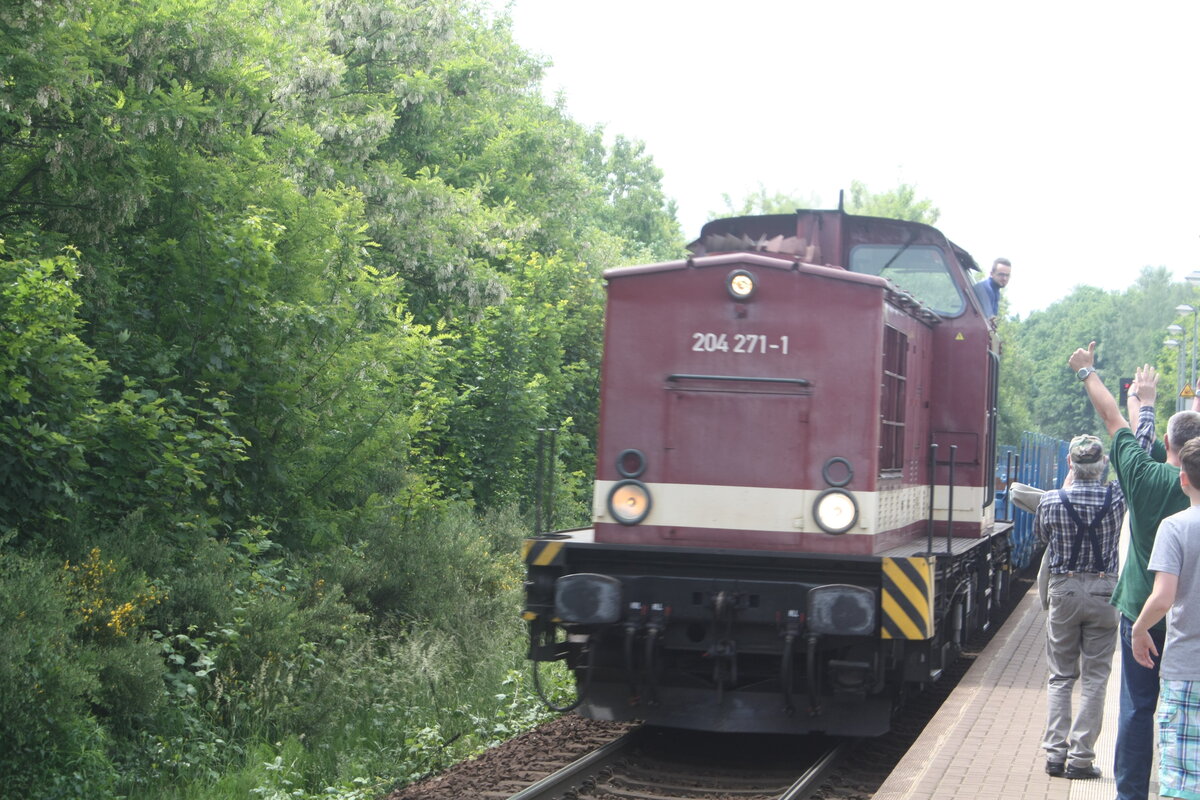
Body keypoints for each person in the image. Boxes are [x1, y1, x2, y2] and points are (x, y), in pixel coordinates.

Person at [1069, 342, 1200, 800]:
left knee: (1138, 707)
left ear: (1167, 445)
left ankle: (1130, 794)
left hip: (1143, 613)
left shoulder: (1143, 477)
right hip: (1194, 618)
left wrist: (1089, 371)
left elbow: (1112, 419)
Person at [1036, 434, 1125, 779]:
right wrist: (1144, 411)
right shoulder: (1116, 497)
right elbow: (1139, 455)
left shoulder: (1051, 500)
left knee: (1060, 675)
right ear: (1102, 465)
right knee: (1095, 678)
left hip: (1064, 589)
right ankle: (1081, 759)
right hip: (1104, 589)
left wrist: (1063, 488)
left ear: (1071, 465)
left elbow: (1046, 539)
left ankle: (1055, 756)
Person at [1131, 437, 1200, 799]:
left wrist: (1139, 628)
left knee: (1184, 781)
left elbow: (1162, 597)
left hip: (1187, 670)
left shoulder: (1175, 527)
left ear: (1183, 479)